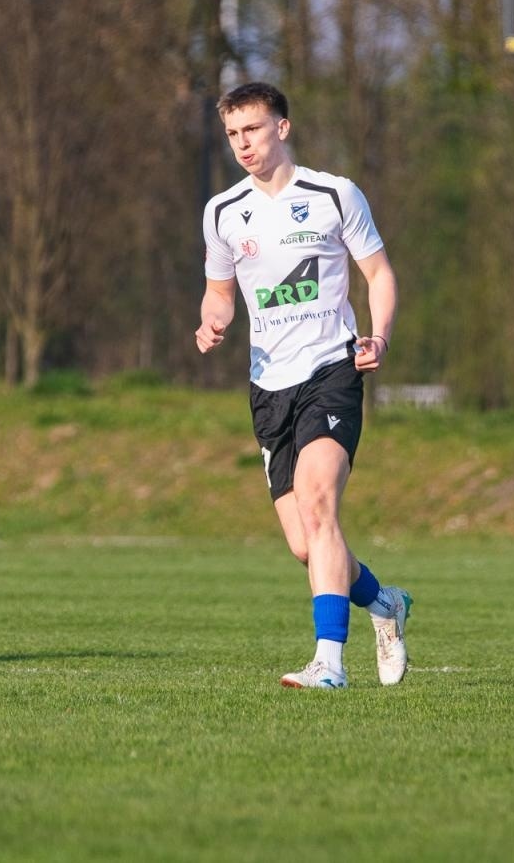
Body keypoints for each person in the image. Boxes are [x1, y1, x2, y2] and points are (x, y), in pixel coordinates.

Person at [195, 82, 412, 689]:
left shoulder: (334, 195)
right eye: (234, 134)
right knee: (304, 544)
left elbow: (380, 273)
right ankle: (386, 604)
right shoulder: (222, 212)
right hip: (269, 386)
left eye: (254, 130)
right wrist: (214, 320)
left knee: (321, 504)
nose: (244, 144)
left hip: (331, 371)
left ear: (282, 129)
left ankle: (329, 663)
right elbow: (220, 291)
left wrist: (380, 336)